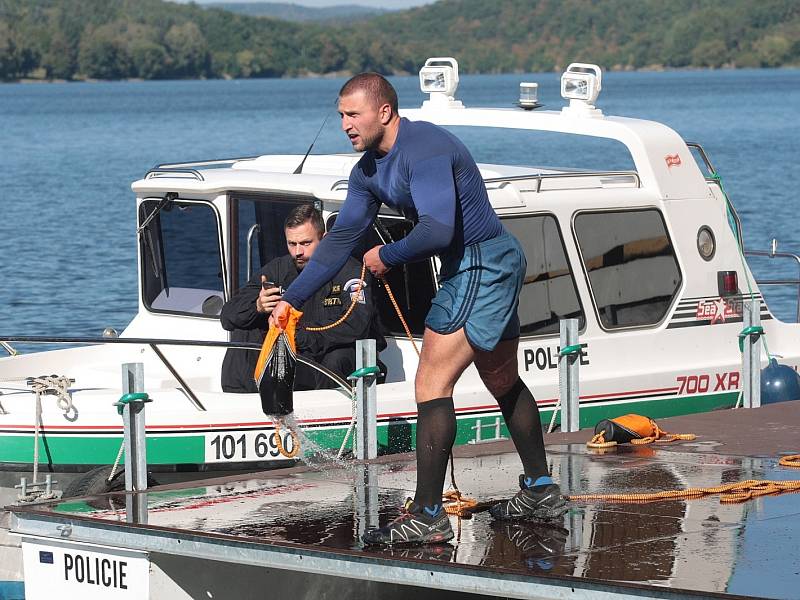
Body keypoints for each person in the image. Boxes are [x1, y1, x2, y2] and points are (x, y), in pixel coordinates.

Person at [270, 73, 566, 546]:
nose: (345, 123)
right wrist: (291, 300)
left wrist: (386, 255)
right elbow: (340, 239)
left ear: (384, 112)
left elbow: (438, 229)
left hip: (480, 262)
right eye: (341, 114)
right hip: (477, 263)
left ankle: (429, 514)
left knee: (431, 381)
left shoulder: (425, 149)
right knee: (500, 377)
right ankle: (540, 489)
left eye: (353, 114)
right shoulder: (367, 171)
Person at [220, 204, 385, 393]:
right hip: (296, 357)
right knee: (245, 332)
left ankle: (326, 415)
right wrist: (257, 306)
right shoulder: (278, 269)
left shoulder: (350, 271)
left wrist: (300, 337)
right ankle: (240, 401)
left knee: (338, 356)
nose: (298, 252)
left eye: (306, 243)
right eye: (292, 244)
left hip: (331, 357)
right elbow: (227, 316)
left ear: (324, 240)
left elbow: (355, 326)